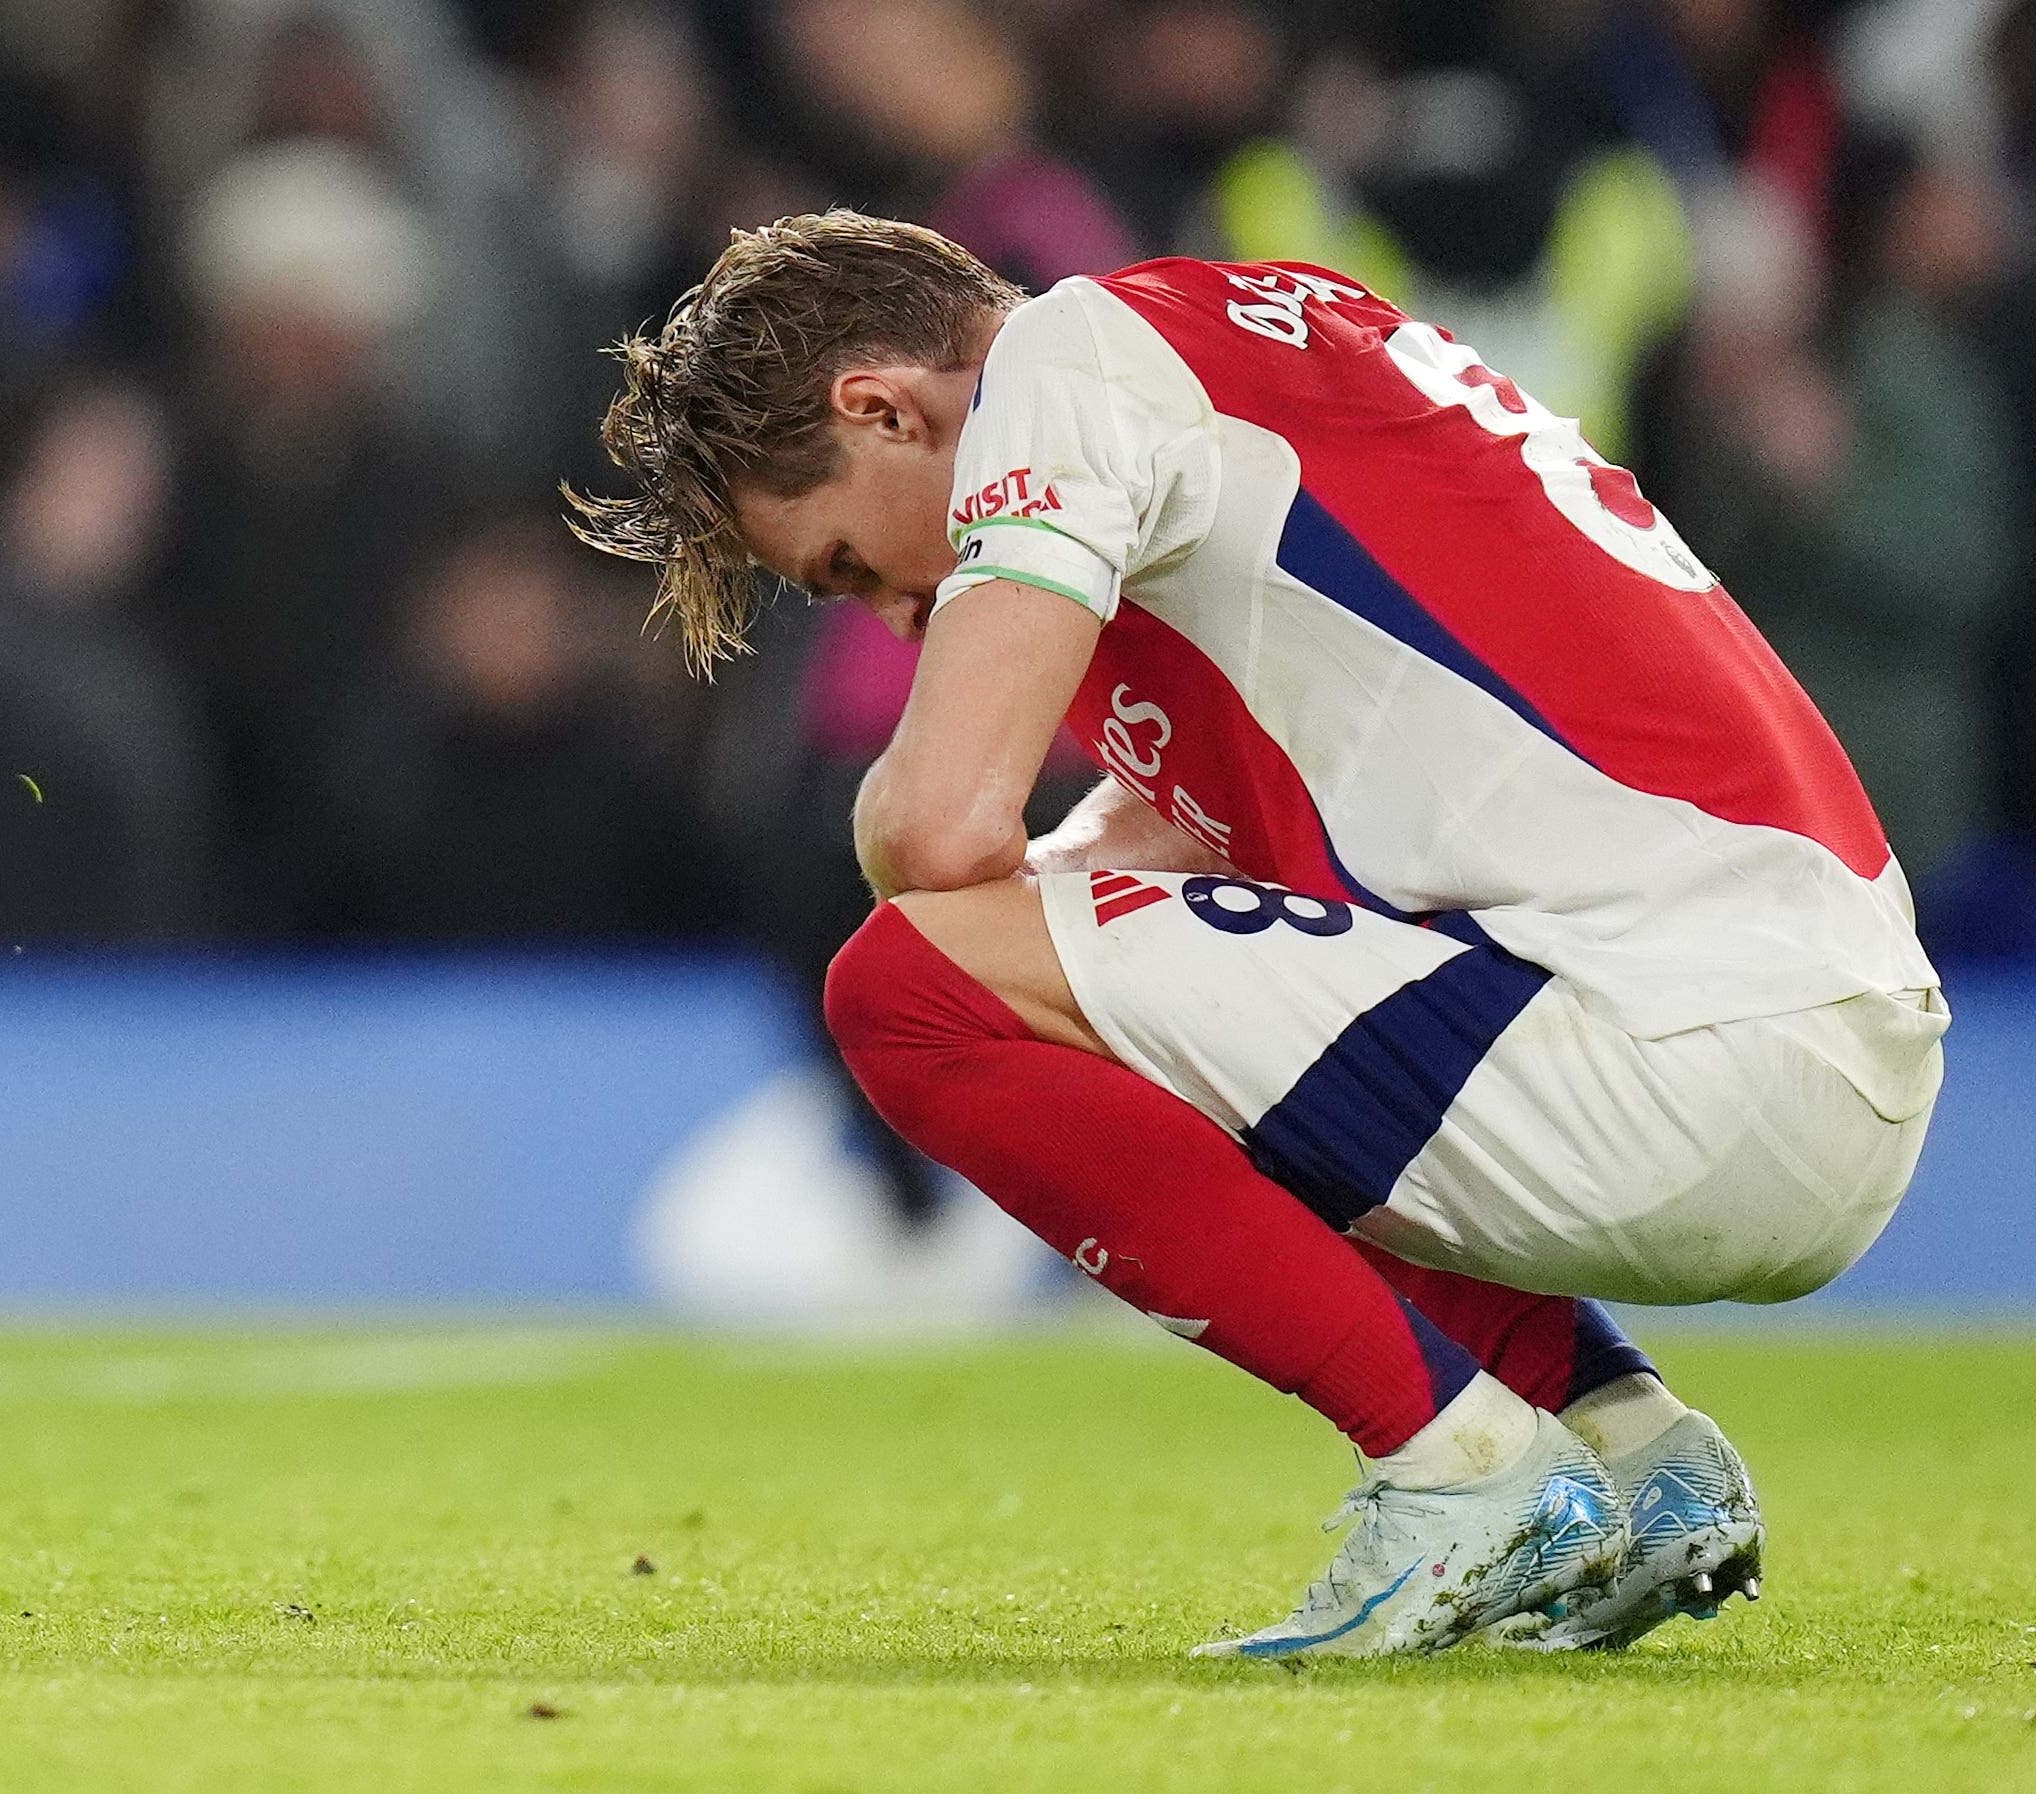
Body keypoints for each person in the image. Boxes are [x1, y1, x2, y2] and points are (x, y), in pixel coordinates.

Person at [569, 212, 1947, 1660]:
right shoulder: (1251, 342)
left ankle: (1462, 1469)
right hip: (1808, 1023)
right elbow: (1170, 856)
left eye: (852, 565)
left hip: (1690, 1048)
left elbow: (938, 829)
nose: (904, 617)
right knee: (1069, 999)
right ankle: (1628, 1447)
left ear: (883, 406)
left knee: (906, 990)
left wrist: (934, 877)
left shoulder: (1062, 357)